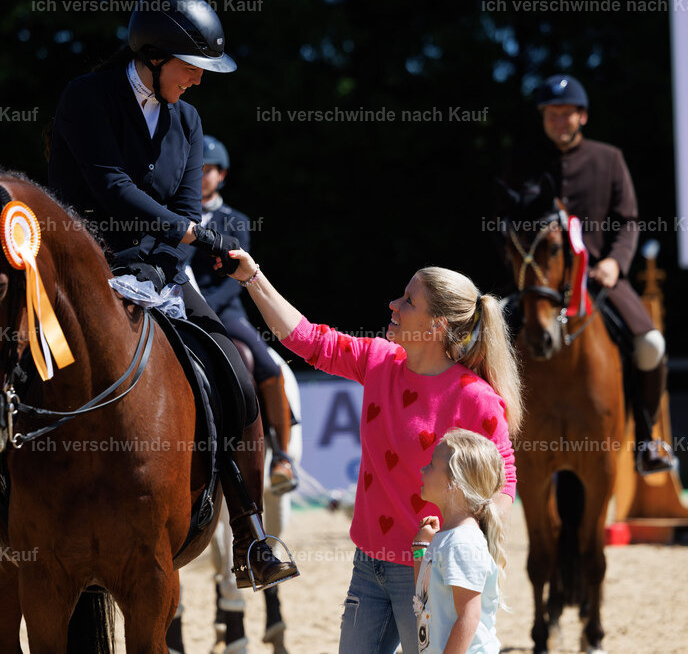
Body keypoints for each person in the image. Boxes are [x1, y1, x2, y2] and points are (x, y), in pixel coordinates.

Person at [0, 0, 299, 590]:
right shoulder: (87, 97)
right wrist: (178, 233)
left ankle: (252, 531)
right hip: (81, 275)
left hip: (160, 272)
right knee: (14, 367)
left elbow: (185, 203)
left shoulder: (187, 117)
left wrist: (168, 258)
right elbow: (109, 187)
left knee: (234, 368)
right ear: (154, 57)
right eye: (193, 67)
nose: (200, 82)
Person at [220, 248, 521, 653]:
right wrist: (252, 277)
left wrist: (461, 538)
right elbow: (307, 339)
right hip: (368, 563)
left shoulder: (475, 398)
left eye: (408, 301)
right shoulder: (379, 360)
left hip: (429, 570)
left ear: (436, 326)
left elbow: (504, 483)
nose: (393, 305)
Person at [509, 74, 674, 474]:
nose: (559, 122)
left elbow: (628, 220)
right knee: (486, 344)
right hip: (540, 284)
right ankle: (494, 445)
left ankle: (646, 440)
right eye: (551, 115)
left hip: (599, 279)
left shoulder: (609, 158)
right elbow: (509, 226)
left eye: (566, 114)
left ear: (582, 116)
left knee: (650, 344)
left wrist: (615, 262)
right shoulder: (524, 163)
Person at [190, 134, 298, 493]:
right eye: (198, 169)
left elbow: (235, 278)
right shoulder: (179, 216)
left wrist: (205, 306)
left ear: (222, 175)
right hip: (181, 306)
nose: (203, 175)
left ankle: (282, 456)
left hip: (226, 310)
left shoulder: (236, 221)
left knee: (266, 365)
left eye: (210, 170)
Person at [412, 429, 506, 654]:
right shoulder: (449, 537)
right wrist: (420, 548)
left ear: (454, 483)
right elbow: (423, 597)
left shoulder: (462, 543)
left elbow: (468, 616)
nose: (423, 469)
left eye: (432, 465)